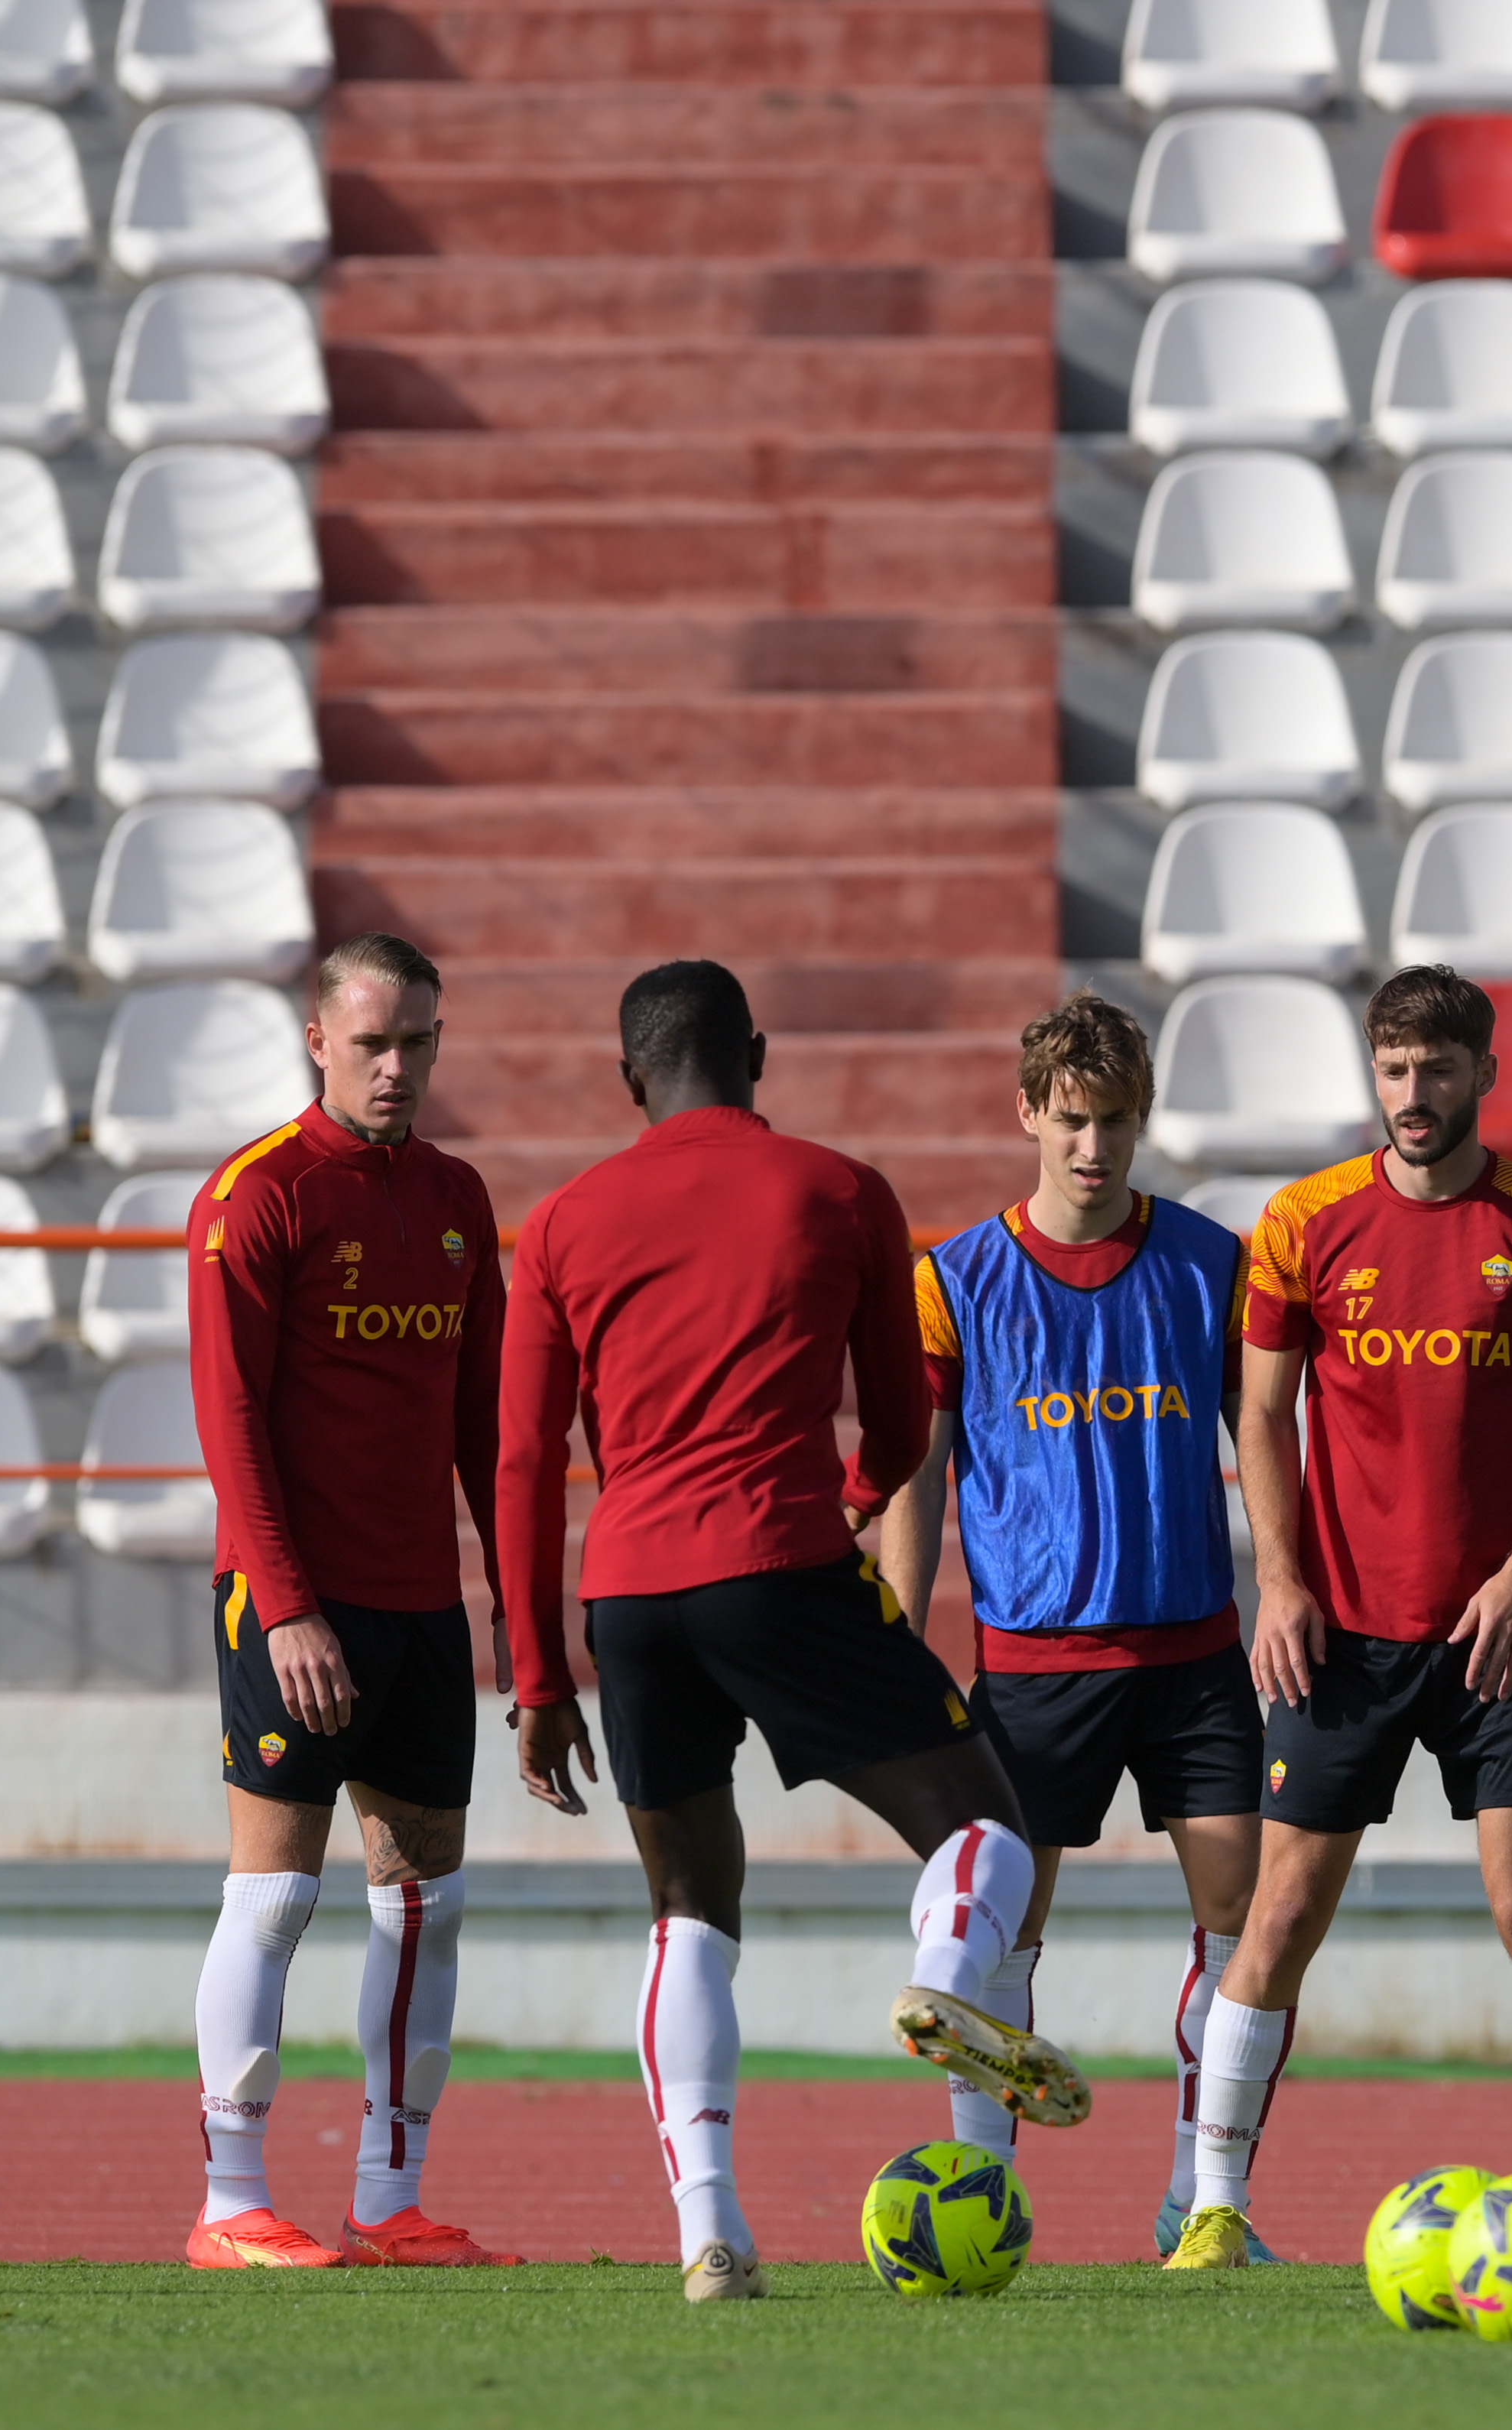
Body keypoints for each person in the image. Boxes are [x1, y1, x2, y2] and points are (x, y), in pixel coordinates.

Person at [495, 959, 1086, 2305]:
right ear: (757, 1054)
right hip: (779, 1557)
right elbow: (897, 1414)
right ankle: (946, 1982)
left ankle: (712, 2234)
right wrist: (864, 1494)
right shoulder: (840, 1190)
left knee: (690, 1915)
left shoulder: (566, 1221)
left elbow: (524, 1465)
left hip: (631, 1596)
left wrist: (537, 1674)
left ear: (628, 1078)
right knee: (984, 1831)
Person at [1186, 966, 1512, 2270]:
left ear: (1485, 1075)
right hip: (1340, 1637)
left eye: (1437, 1068)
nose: (1413, 1093)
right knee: (1278, 1919)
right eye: (1392, 1068)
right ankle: (1216, 2207)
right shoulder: (1303, 1220)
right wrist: (1278, 1579)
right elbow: (1263, 1416)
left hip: (1505, 1636)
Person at [879, 993, 1274, 2260]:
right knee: (1010, 1935)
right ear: (1027, 1115)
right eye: (1070, 1121)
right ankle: (977, 2196)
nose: (1093, 1149)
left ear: (1142, 1119)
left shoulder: (1214, 1262)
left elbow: (1266, 1444)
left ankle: (1204, 2206)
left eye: (1114, 1123)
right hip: (1037, 1660)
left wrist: (1296, 1594)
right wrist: (895, 1634)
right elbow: (914, 1471)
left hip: (1196, 1656)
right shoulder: (953, 1280)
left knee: (1244, 1924)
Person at [182, 932, 526, 2270]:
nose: (398, 1068)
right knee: (274, 1898)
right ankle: (230, 2202)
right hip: (294, 1608)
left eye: (419, 1044)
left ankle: (389, 2198)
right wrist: (286, 1606)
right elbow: (232, 1421)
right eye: (374, 1043)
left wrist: (516, 1613)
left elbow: (484, 1426)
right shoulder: (256, 1197)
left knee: (422, 1897)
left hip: (418, 1611)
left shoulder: (453, 1195)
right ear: (317, 1039)